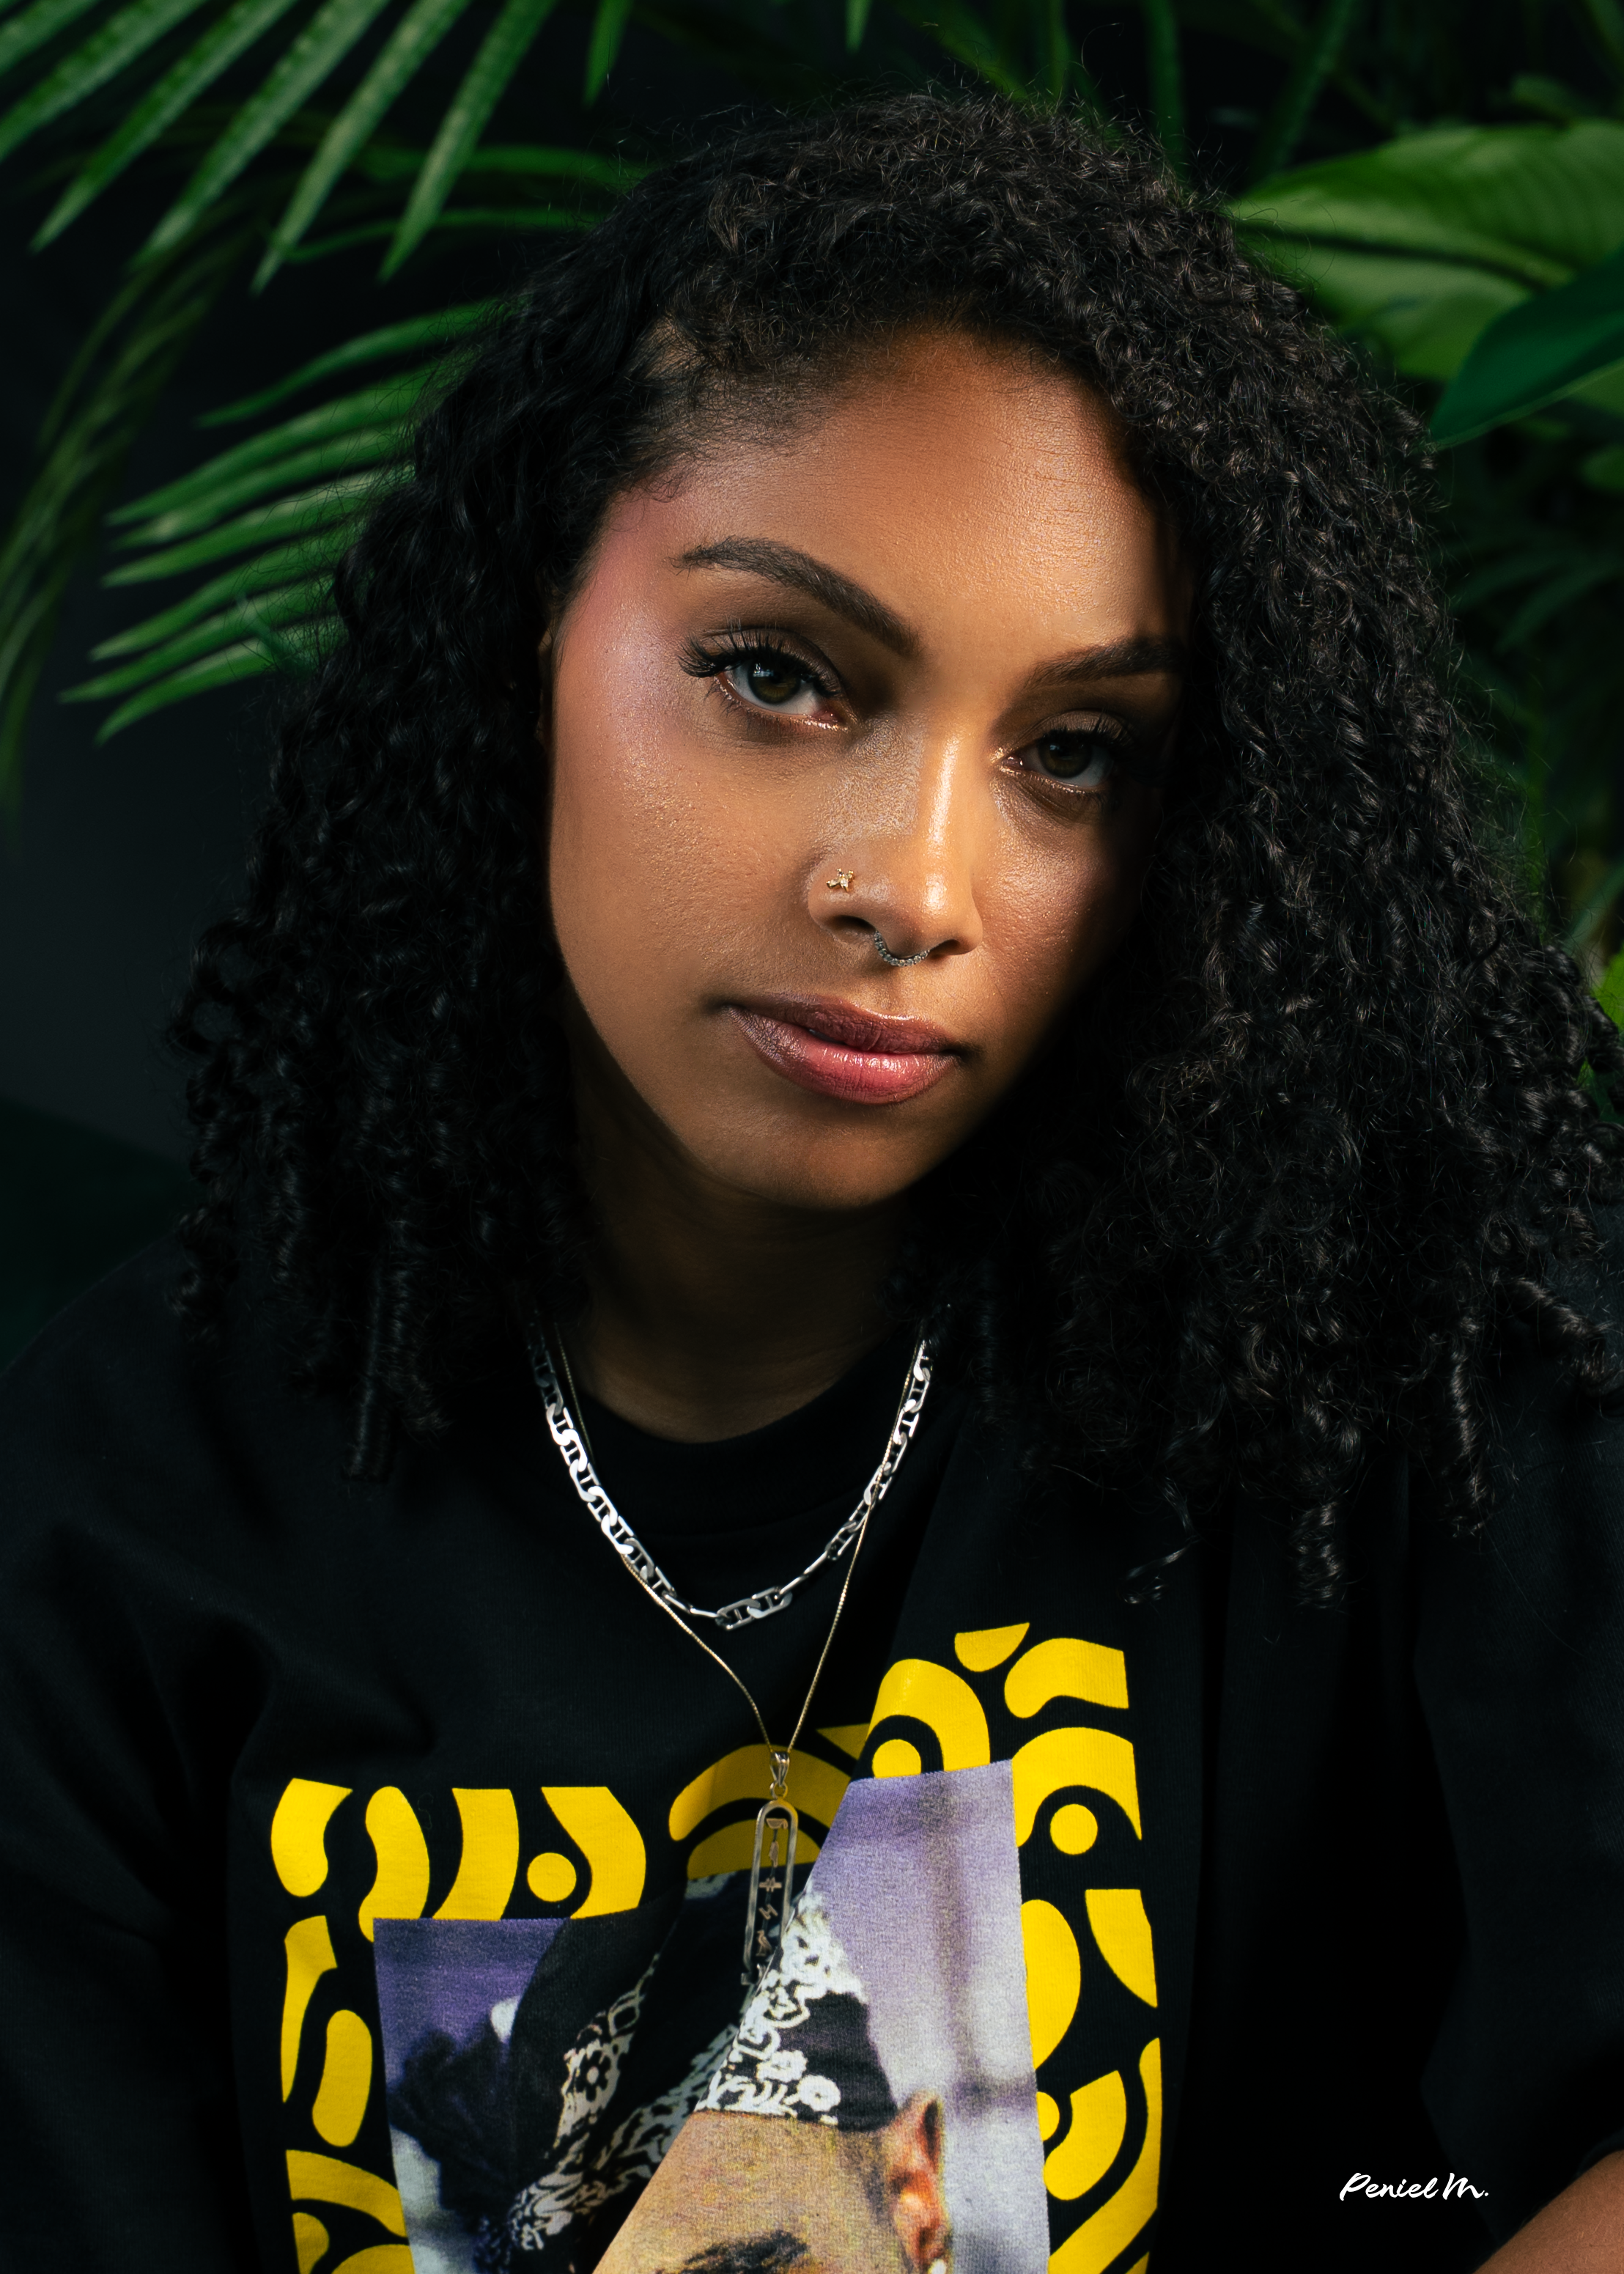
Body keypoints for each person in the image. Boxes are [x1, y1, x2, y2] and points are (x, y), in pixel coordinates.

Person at [2, 89, 1623, 2274]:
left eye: (1074, 754)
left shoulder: (1387, 1378)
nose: (918, 884)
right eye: (778, 673)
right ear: (528, 650)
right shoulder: (106, 1532)